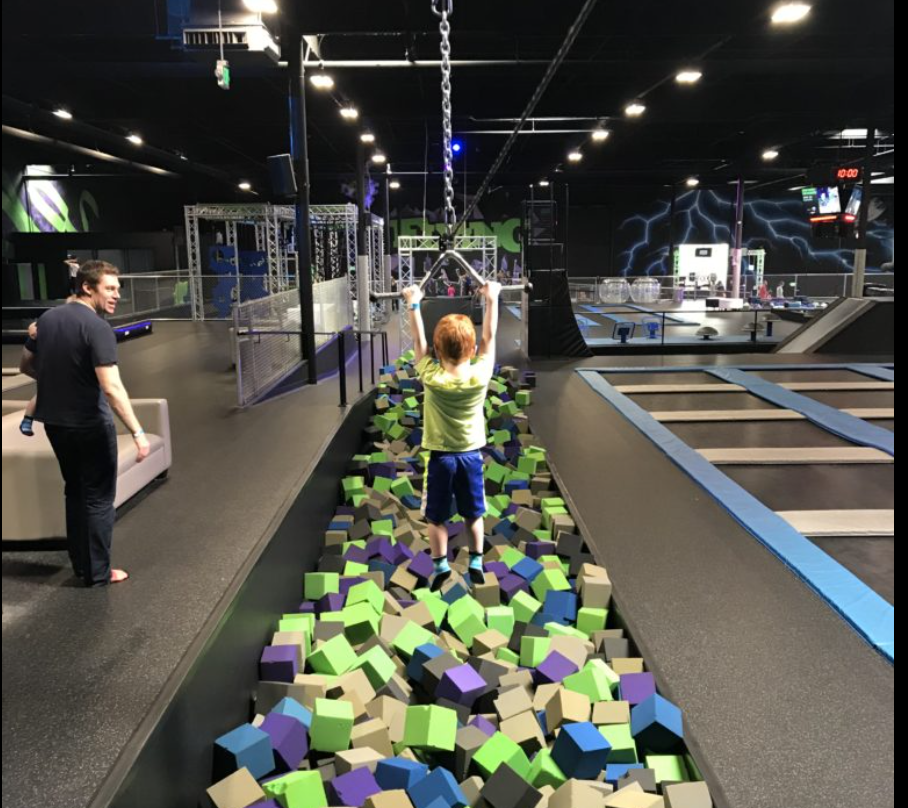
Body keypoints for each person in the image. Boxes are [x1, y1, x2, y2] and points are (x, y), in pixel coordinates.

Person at [19, 261, 150, 587]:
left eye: (118, 289)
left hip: (56, 425)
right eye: (109, 288)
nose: (116, 295)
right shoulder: (97, 328)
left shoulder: (46, 320)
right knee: (97, 498)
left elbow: (26, 365)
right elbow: (111, 387)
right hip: (90, 425)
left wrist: (59, 380)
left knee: (75, 492)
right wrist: (137, 432)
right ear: (87, 288)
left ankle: (82, 565)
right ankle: (97, 573)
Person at [404, 280, 502, 592]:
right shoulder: (480, 373)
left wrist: (413, 302)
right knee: (474, 514)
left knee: (435, 518)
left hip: (440, 459)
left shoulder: (431, 376)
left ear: (436, 351)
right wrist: (492, 299)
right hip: (471, 456)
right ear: (472, 351)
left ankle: (441, 565)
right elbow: (489, 337)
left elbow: (417, 343)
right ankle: (475, 560)